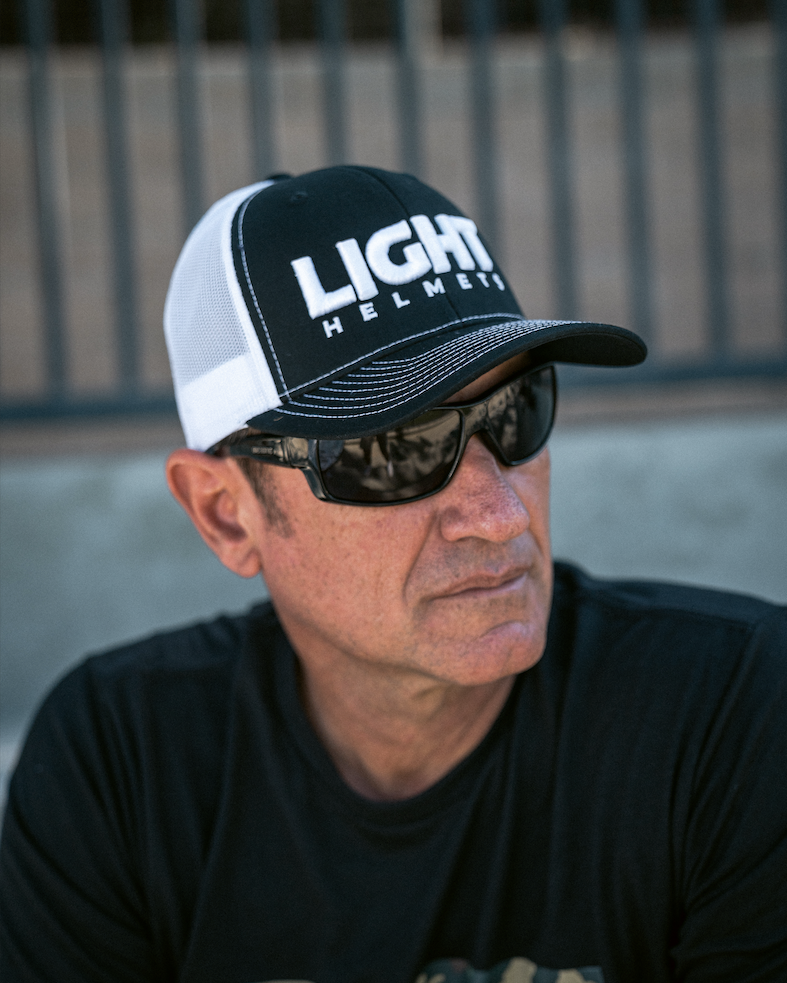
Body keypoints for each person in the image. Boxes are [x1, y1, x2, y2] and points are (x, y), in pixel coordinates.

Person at [1, 166, 785, 983]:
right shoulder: (119, 767)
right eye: (392, 451)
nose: (498, 514)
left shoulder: (731, 716)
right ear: (225, 513)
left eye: (517, 414)